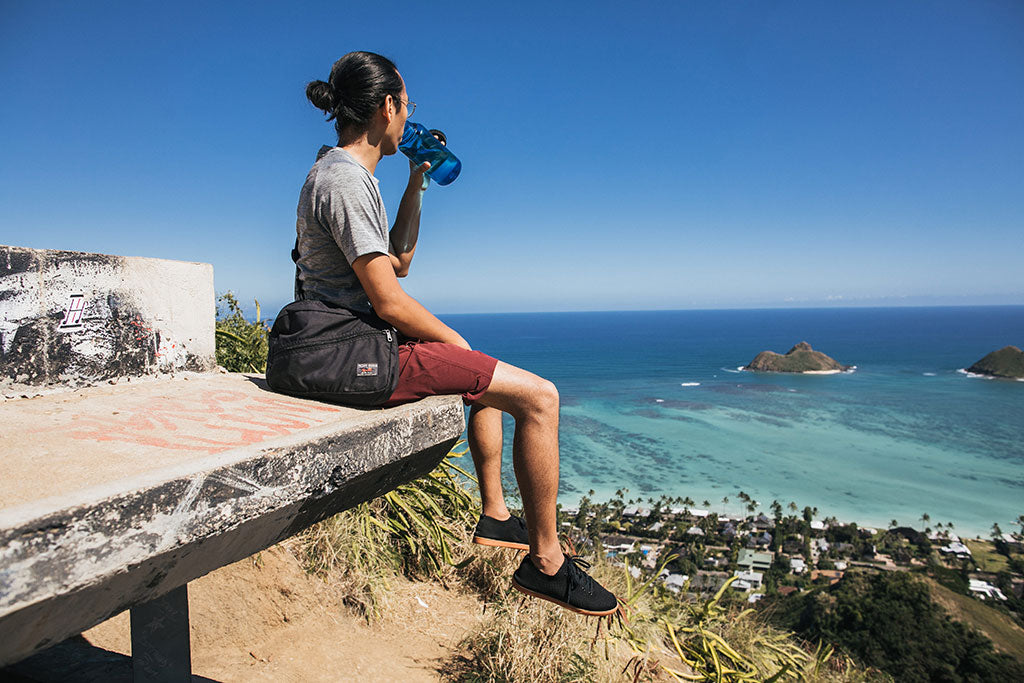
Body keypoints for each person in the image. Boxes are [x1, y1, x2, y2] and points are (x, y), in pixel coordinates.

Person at [296, 51, 617, 616]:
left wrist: (416, 183)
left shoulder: (350, 176)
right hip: (346, 352)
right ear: (388, 106)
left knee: (480, 373)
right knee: (540, 398)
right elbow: (389, 300)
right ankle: (548, 562)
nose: (408, 116)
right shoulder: (343, 179)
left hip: (350, 342)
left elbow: (399, 262)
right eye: (407, 104)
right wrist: (458, 346)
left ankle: (494, 512)